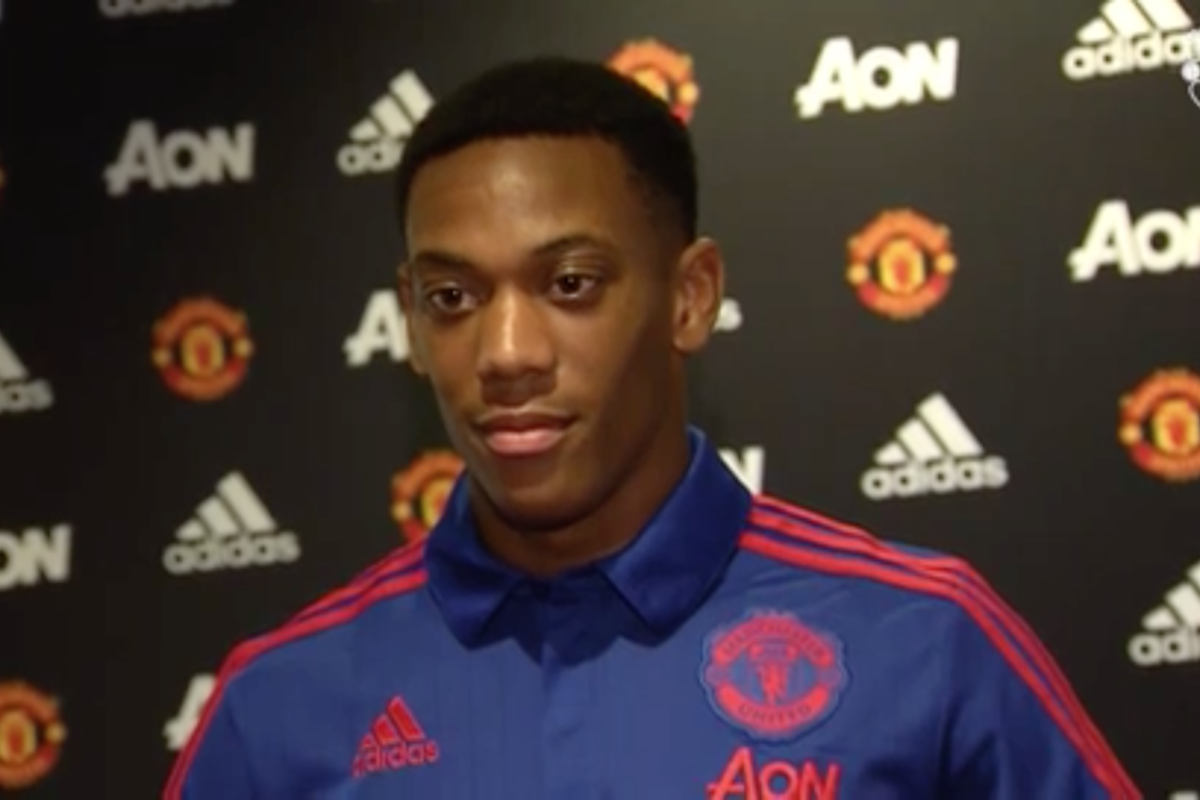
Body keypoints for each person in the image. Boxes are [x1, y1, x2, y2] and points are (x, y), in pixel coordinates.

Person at [164, 56, 1141, 799]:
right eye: (452, 295)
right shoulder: (277, 705)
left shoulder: (924, 641)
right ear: (410, 322)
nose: (505, 352)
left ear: (690, 295)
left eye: (570, 283)